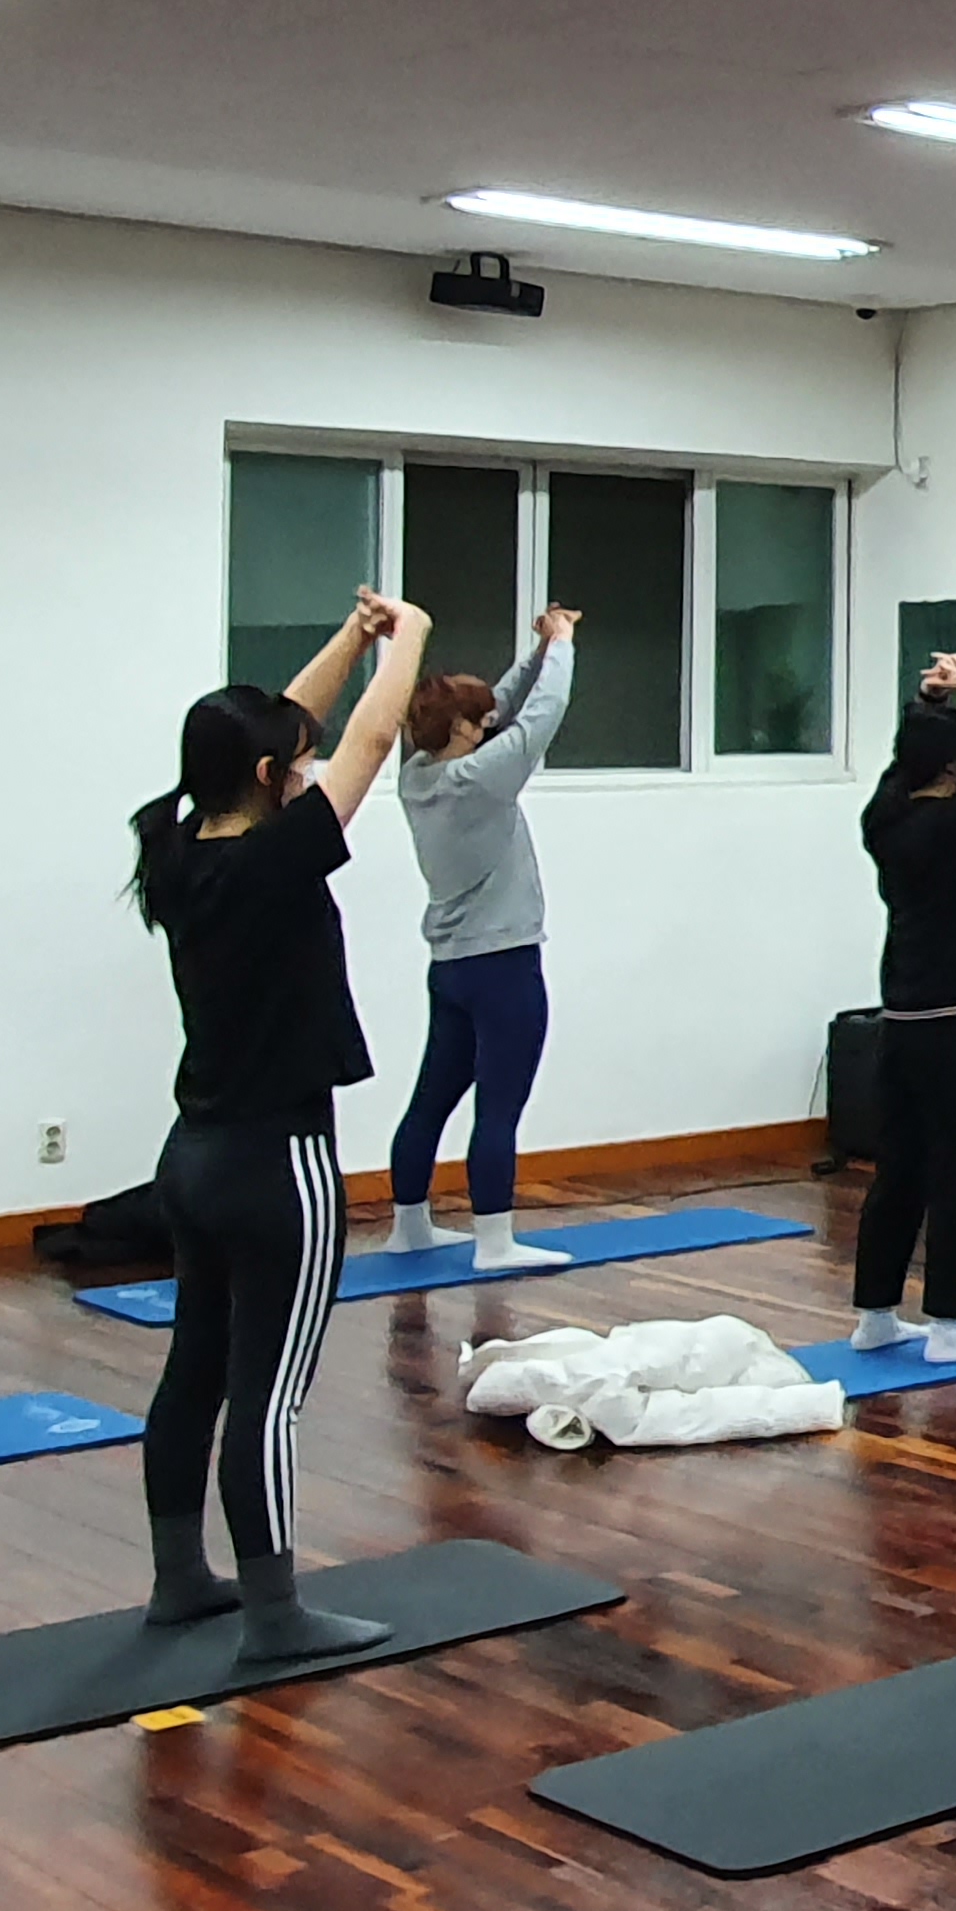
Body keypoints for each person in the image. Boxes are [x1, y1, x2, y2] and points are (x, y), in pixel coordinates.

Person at [130, 590, 431, 1660]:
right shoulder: (280, 856)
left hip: (192, 1157)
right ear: (269, 778)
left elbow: (286, 730)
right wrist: (409, 638)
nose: (308, 772)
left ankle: (181, 1580)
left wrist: (350, 637)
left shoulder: (176, 849)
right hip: (279, 1165)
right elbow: (371, 740)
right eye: (294, 767)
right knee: (270, 1398)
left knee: (195, 1372)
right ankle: (275, 1616)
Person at [382, 606, 580, 1273]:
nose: (488, 721)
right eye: (477, 720)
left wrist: (537, 650)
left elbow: (499, 705)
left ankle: (410, 1227)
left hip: (450, 969)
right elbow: (541, 714)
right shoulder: (480, 780)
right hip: (503, 967)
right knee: (500, 1107)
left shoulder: (418, 776)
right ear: (462, 731)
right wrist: (563, 647)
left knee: (431, 1099)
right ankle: (495, 1242)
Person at [850, 647, 956, 1364]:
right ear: (954, 769)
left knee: (901, 1170)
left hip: (902, 1020)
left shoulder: (885, 821)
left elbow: (903, 763)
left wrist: (928, 705)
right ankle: (949, 1325)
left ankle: (875, 1314)